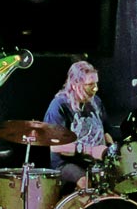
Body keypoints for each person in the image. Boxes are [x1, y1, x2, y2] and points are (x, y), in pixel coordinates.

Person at [44, 60, 119, 194]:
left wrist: (112, 151)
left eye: (96, 84)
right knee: (85, 182)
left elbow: (106, 131)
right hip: (66, 164)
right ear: (75, 85)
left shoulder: (96, 102)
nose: (95, 89)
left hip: (95, 163)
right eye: (90, 85)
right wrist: (90, 150)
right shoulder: (59, 105)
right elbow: (56, 146)